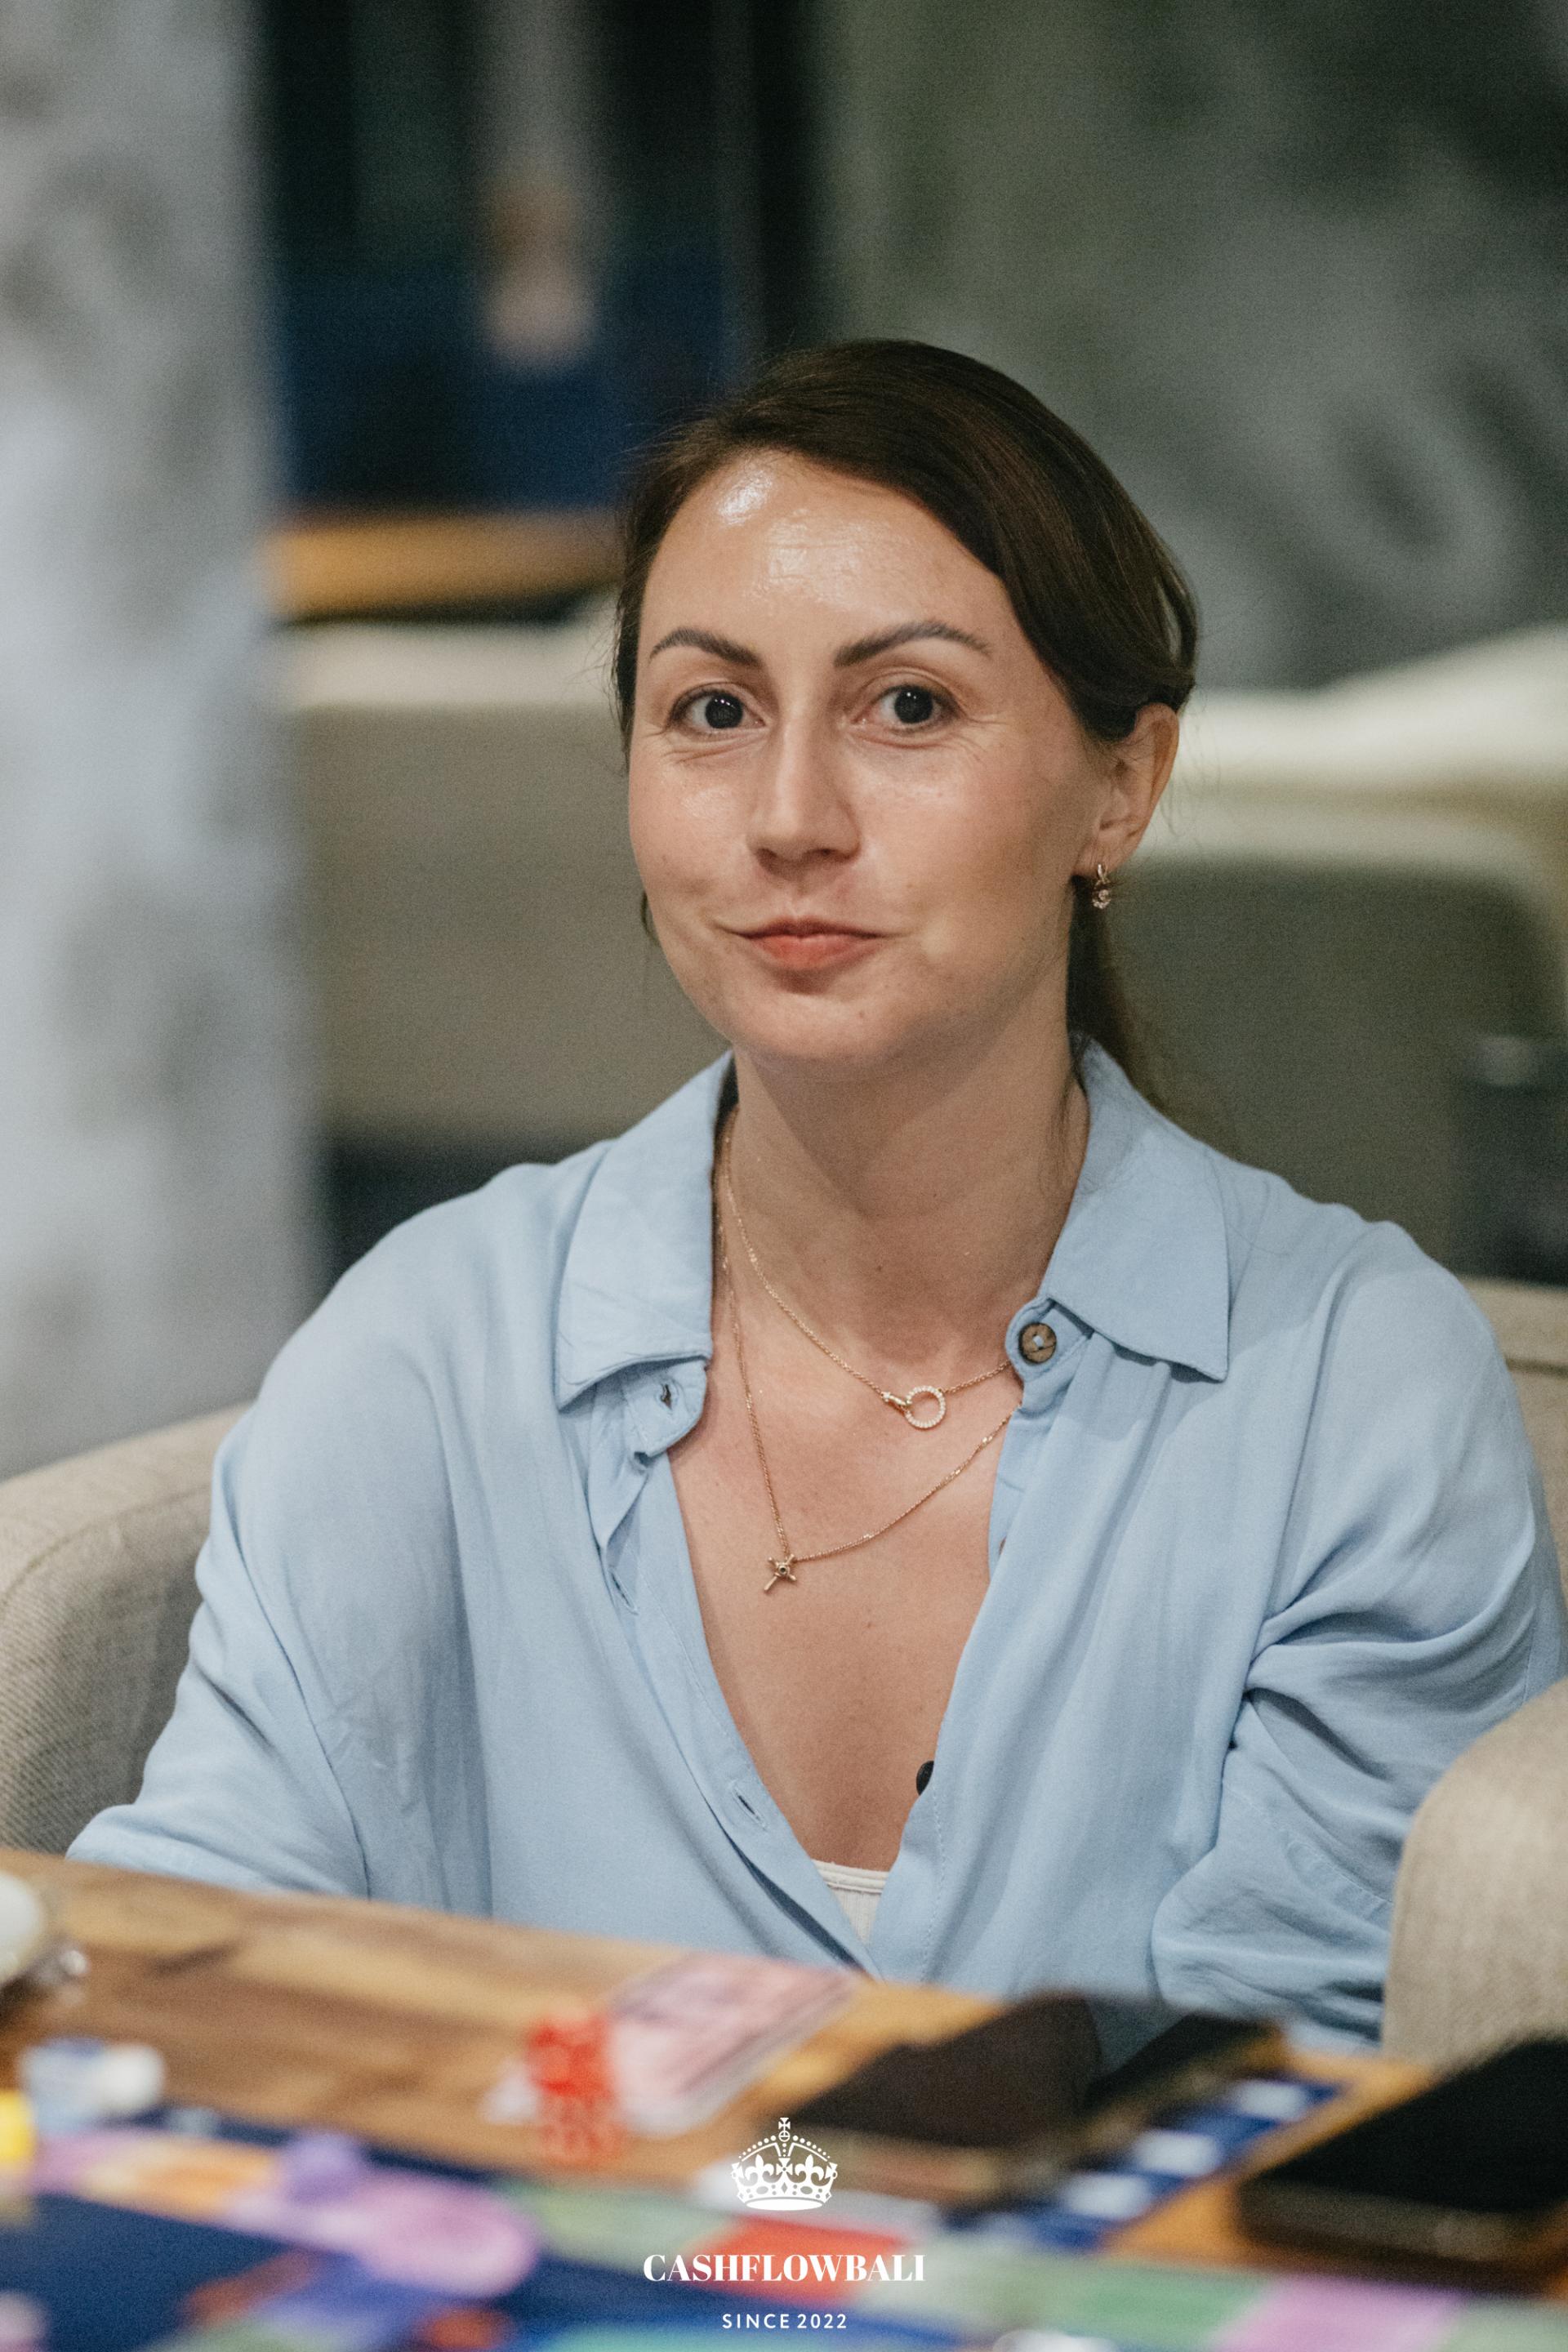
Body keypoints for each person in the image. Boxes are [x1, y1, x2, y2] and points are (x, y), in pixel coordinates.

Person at [72, 341, 1565, 2046]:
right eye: (712, 712)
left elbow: (1304, 2099)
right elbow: (187, 1964)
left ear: (1121, 787)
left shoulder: (1352, 1394)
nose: (790, 819)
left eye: (908, 706)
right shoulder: (431, 1346)